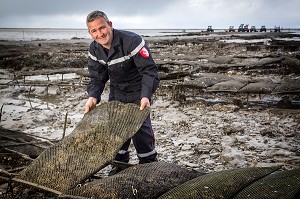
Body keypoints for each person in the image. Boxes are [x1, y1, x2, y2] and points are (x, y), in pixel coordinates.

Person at [84, 10, 160, 174]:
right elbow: (97, 77)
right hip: (117, 93)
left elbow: (149, 71)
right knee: (116, 133)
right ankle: (119, 167)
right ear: (90, 33)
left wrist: (146, 96)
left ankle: (149, 167)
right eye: (94, 31)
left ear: (110, 25)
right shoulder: (94, 49)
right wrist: (93, 97)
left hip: (138, 93)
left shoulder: (132, 41)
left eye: (102, 28)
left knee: (141, 133)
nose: (100, 33)